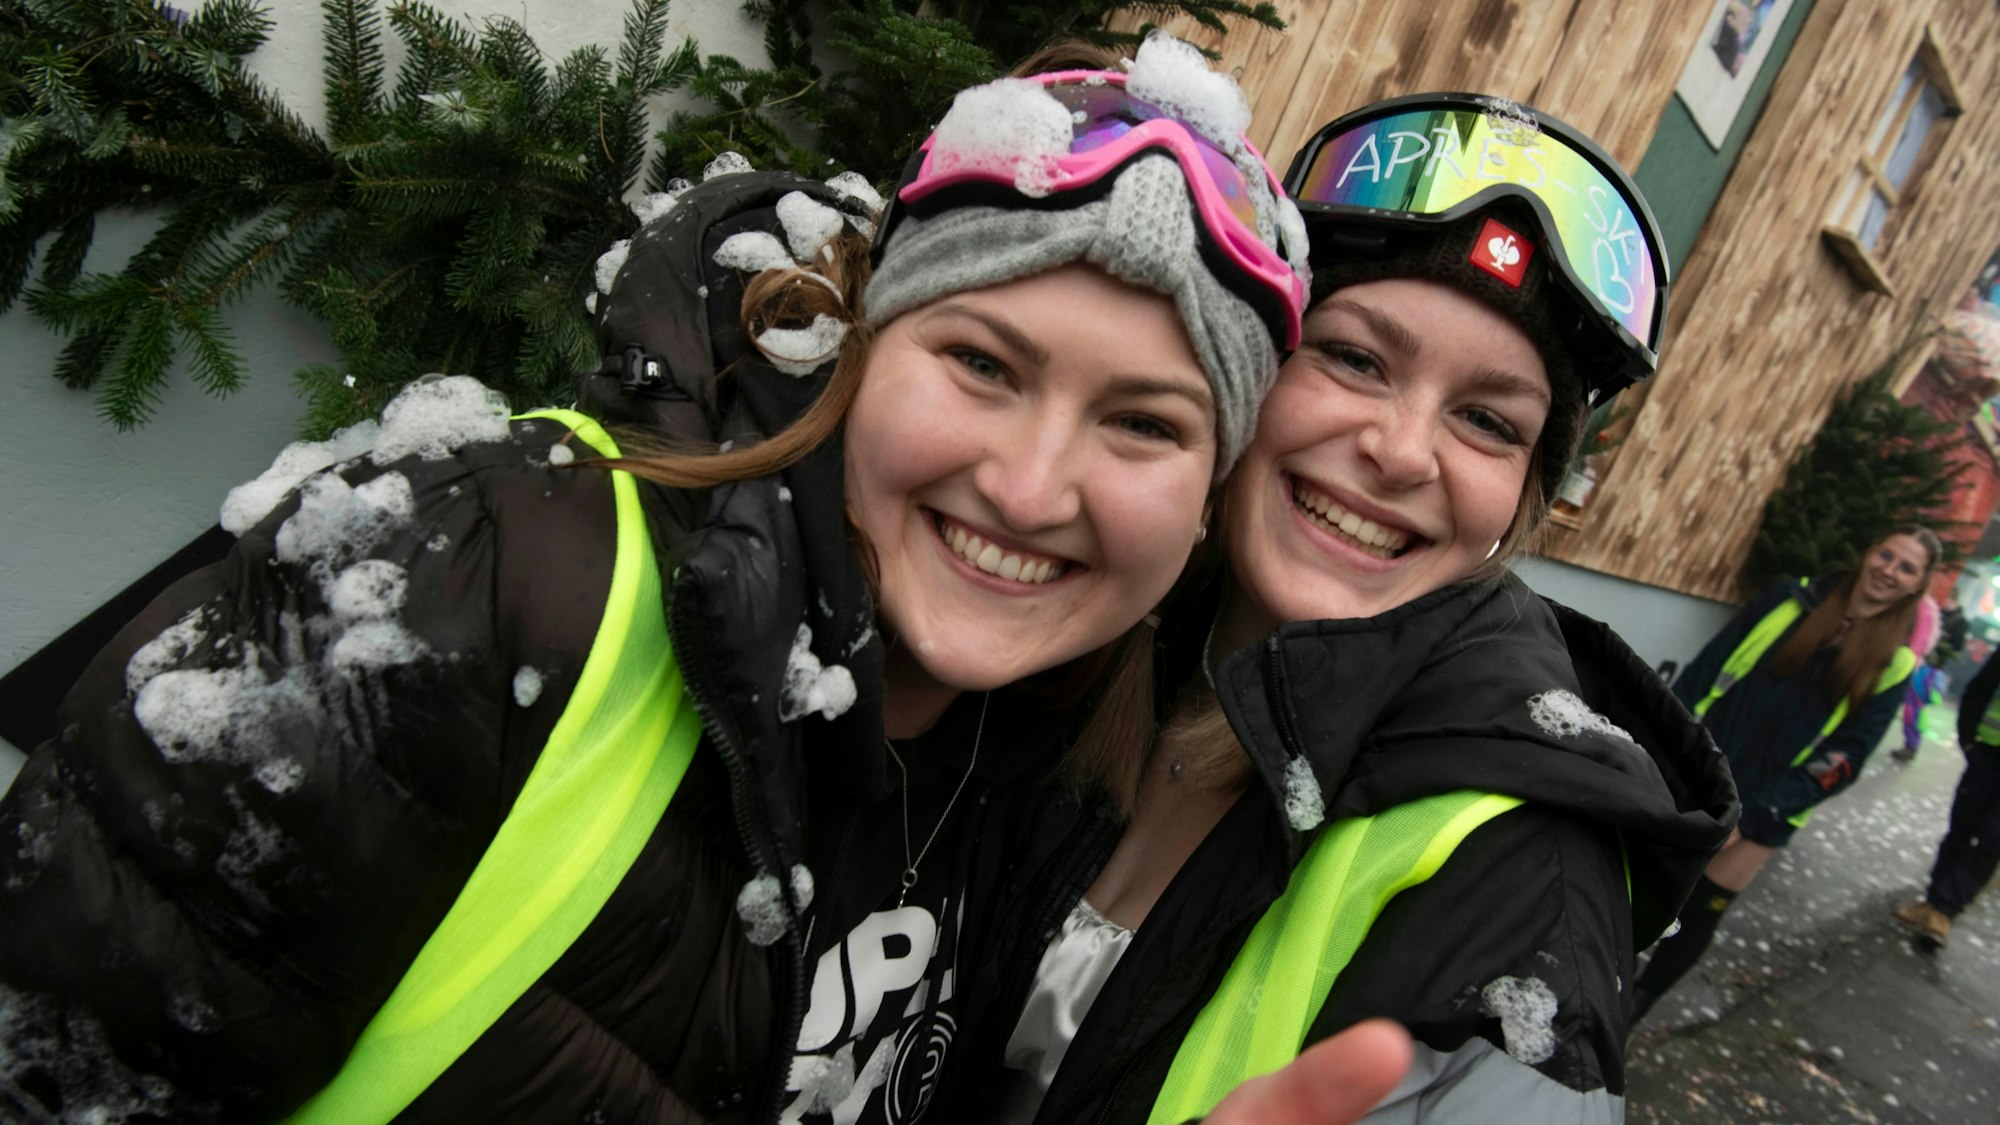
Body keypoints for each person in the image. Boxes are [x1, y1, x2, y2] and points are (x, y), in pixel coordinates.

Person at [0, 39, 1312, 1124]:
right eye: (983, 363)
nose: (1031, 487)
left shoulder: (1035, 774)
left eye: (1144, 423)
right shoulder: (490, 569)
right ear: (863, 344)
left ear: (1209, 498)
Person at [940, 93, 1737, 1124]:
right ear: (1249, 372)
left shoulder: (1525, 886)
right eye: (1356, 358)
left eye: (1486, 421)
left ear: (1519, 503)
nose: (1400, 452)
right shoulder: (1073, 614)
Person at [1631, 525, 1943, 1020]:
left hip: (1768, 806)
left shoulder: (1896, 663)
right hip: (1695, 769)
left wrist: (1753, 818)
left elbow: (1845, 758)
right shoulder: (1789, 598)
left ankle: (1631, 1013)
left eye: (1906, 568)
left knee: (1697, 914)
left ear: (1916, 586)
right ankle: (1592, 982)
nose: (1889, 570)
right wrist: (1670, 749)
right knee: (1635, 884)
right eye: (1886, 554)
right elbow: (1706, 671)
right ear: (1869, 553)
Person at [1892, 643, 2000, 945]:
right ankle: (1932, 902)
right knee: (1961, 828)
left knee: (1993, 842)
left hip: (1986, 757)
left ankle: (1945, 911)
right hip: (1988, 756)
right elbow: (1980, 689)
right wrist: (1968, 741)